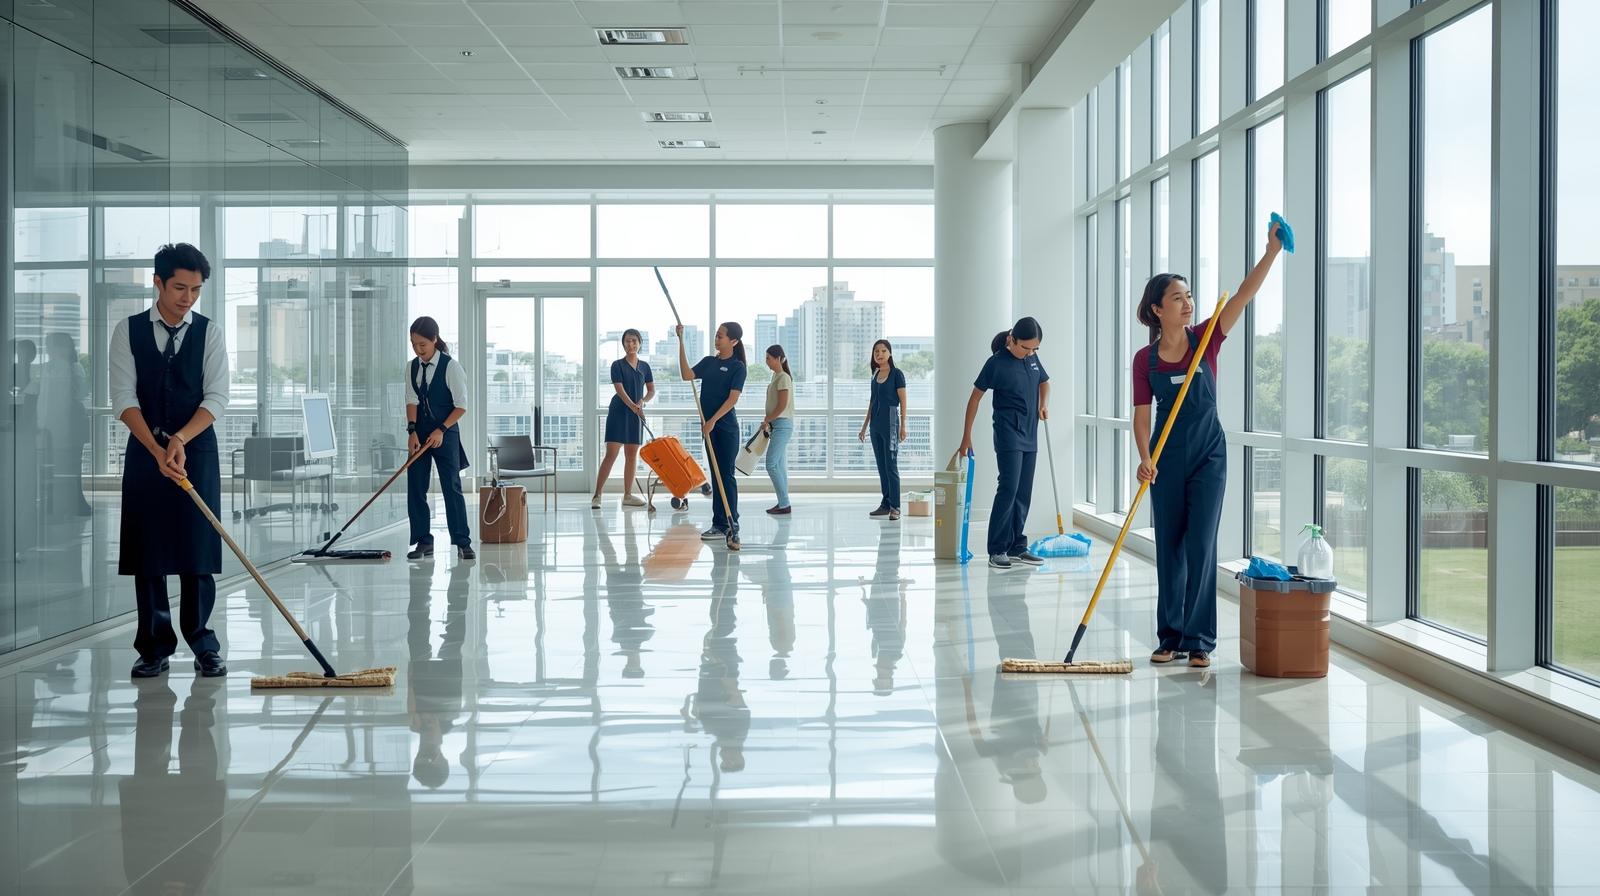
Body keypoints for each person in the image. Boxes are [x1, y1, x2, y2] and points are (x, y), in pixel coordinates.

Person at [1134, 220, 1285, 668]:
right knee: (1170, 548)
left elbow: (1243, 295)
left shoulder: (1206, 339)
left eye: (1189, 296)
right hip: (1165, 459)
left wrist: (1271, 252)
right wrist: (1145, 458)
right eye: (1177, 298)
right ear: (1157, 309)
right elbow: (1141, 416)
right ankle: (1170, 637)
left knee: (1201, 545)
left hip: (1208, 457)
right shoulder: (1145, 360)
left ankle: (1198, 640)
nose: (1188, 303)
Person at [111, 243, 230, 679]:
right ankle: (153, 647)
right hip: (146, 452)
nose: (188, 298)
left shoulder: (210, 333)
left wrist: (179, 439)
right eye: (180, 288)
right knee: (149, 550)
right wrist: (156, 449)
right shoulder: (128, 331)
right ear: (158, 283)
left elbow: (217, 397)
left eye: (196, 290)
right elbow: (123, 398)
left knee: (197, 548)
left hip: (196, 450)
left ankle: (203, 643)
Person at [957, 317, 1050, 571]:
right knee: (1009, 488)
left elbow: (1044, 382)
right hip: (1008, 433)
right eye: (1025, 347)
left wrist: (1043, 404)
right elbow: (975, 399)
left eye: (1035, 349)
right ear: (1012, 339)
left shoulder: (1032, 358)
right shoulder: (996, 363)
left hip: (1030, 433)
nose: (1030, 353)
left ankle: (1017, 546)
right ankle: (997, 549)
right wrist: (966, 436)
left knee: (1024, 492)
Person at [405, 316, 474, 561]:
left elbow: (461, 406)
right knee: (416, 487)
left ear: (434, 339)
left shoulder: (451, 367)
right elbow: (411, 400)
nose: (418, 349)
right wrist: (412, 431)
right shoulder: (412, 367)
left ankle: (462, 542)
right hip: (420, 433)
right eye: (414, 344)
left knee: (451, 486)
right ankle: (424, 541)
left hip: (446, 433)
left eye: (422, 344)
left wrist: (441, 430)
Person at [678, 321, 746, 541]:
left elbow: (732, 399)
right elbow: (686, 374)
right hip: (709, 429)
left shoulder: (738, 367)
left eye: (721, 336)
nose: (717, 339)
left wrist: (712, 421)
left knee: (726, 475)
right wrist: (681, 341)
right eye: (716, 335)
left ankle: (731, 522)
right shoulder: (709, 362)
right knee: (716, 476)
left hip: (726, 429)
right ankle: (719, 524)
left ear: (733, 341)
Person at [593, 328, 654, 510]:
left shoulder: (645, 367)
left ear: (640, 343)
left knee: (631, 455)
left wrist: (642, 402)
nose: (631, 344)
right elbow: (619, 390)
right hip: (619, 412)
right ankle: (597, 495)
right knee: (611, 455)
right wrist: (633, 406)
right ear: (623, 344)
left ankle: (627, 495)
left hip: (636, 413)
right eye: (627, 341)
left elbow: (651, 390)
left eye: (634, 341)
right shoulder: (617, 365)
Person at [39, 332, 91, 517]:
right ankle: (56, 504)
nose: (49, 350)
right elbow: (44, 398)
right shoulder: (48, 368)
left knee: (71, 467)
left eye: (51, 346)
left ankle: (73, 504)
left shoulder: (74, 368)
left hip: (70, 425)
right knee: (53, 466)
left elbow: (80, 394)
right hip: (52, 424)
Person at [859, 339, 908, 520]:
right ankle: (885, 503)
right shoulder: (875, 374)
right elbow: (872, 402)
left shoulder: (897, 374)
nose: (879, 354)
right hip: (876, 426)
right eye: (876, 351)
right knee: (881, 466)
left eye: (883, 351)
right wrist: (864, 427)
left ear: (890, 353)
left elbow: (903, 401)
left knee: (891, 466)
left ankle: (895, 507)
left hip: (891, 423)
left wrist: (903, 426)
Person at [760, 344, 795, 515]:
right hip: (777, 425)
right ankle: (783, 502)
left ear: (778, 358)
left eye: (769, 358)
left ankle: (785, 503)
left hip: (782, 425)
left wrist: (767, 419)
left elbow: (782, 405)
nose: (766, 361)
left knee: (771, 464)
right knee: (779, 465)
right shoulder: (776, 376)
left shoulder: (783, 377)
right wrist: (769, 421)